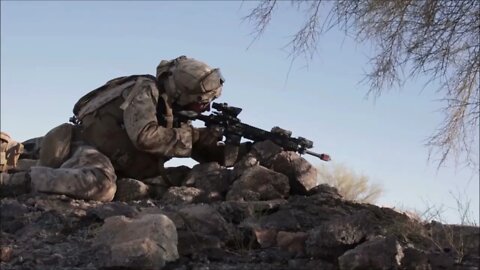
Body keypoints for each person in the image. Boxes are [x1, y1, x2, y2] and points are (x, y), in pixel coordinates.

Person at [0, 55, 242, 202]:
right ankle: (13, 183)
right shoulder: (146, 90)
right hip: (85, 146)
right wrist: (195, 136)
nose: (205, 106)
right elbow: (145, 137)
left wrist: (228, 147)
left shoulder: (175, 111)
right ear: (181, 91)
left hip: (105, 155)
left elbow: (200, 151)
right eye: (202, 100)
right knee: (102, 186)